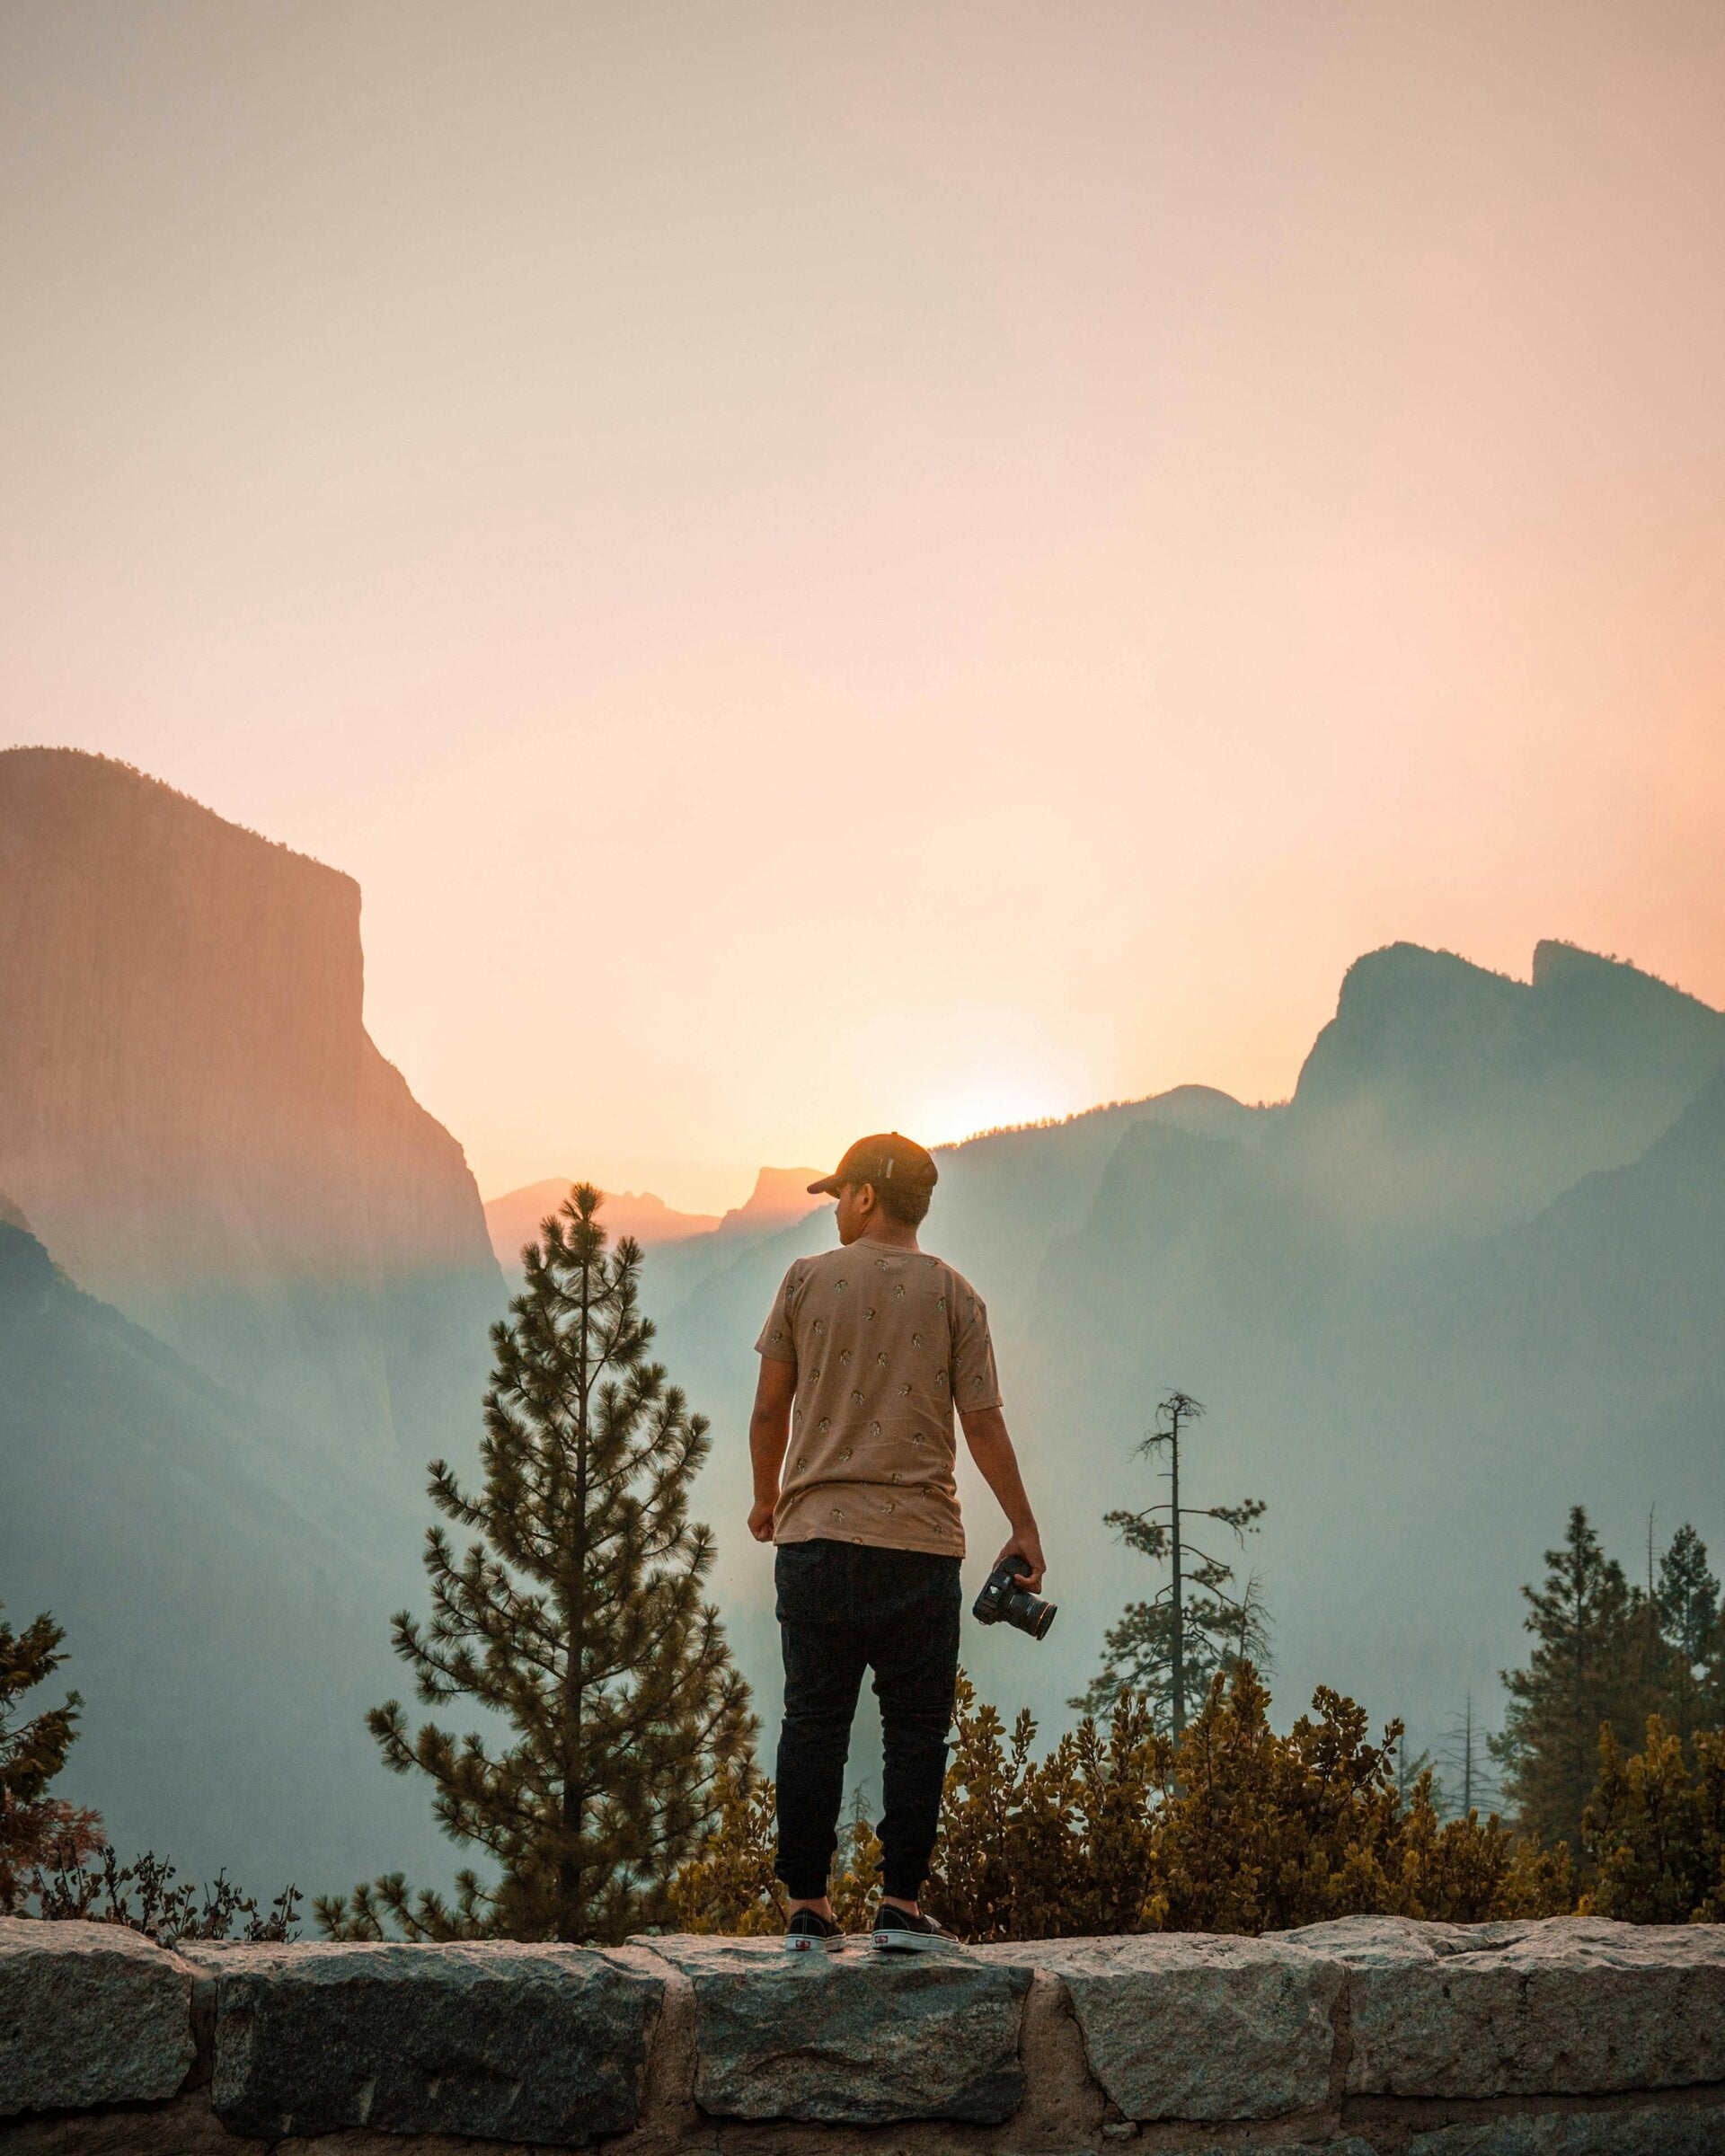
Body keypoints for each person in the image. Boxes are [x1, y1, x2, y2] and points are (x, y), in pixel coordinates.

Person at [748, 1131, 1047, 1952]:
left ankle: (807, 1909)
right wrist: (1022, 1525)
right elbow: (982, 1424)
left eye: (838, 1195)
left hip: (816, 1545)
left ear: (866, 1197)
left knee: (813, 1723)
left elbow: (770, 1409)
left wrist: (767, 1500)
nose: (834, 1211)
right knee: (916, 1733)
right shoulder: (956, 1296)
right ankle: (901, 1909)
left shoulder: (804, 1281)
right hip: (919, 1551)